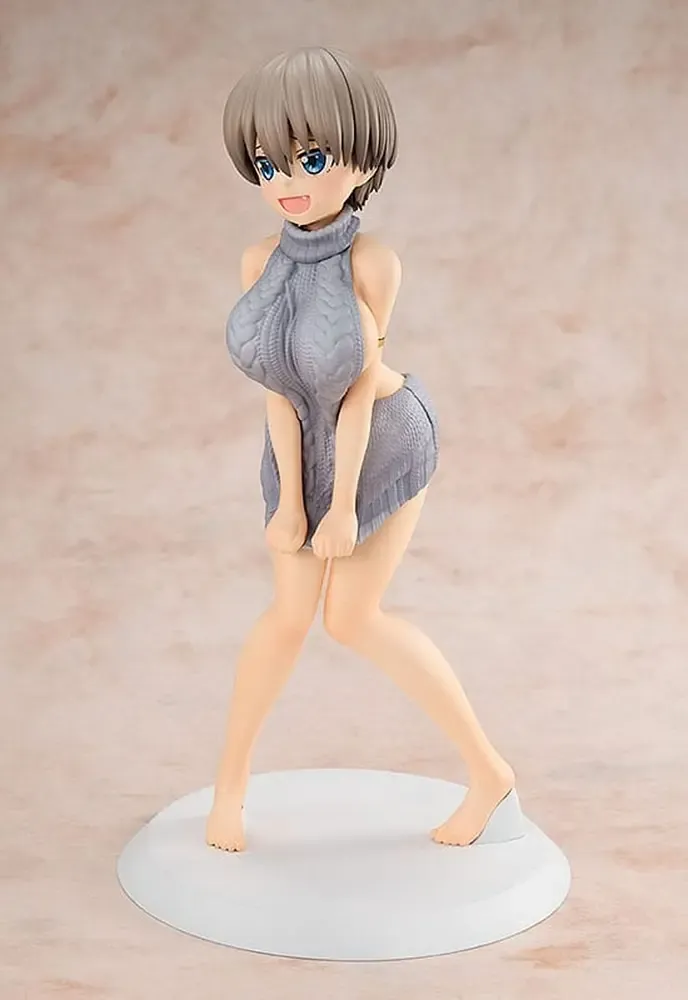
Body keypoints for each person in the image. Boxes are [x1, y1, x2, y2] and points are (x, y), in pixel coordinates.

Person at [206, 46, 519, 852]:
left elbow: (354, 389)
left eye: (311, 159)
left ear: (363, 159)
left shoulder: (373, 264)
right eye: (268, 163)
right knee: (287, 615)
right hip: (300, 443)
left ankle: (489, 773)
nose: (288, 180)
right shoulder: (258, 261)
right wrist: (291, 500)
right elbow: (278, 385)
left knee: (350, 618)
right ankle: (230, 787)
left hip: (378, 440)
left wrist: (342, 506)